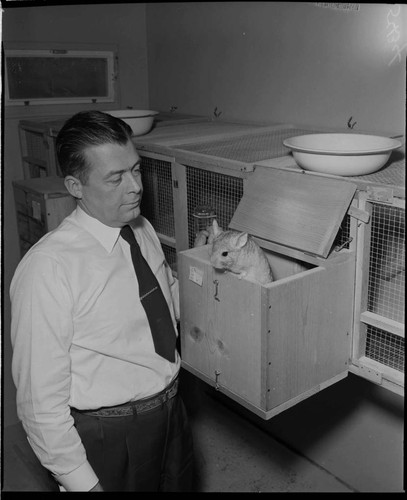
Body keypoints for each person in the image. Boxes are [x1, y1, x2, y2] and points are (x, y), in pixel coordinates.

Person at [10, 110, 194, 492]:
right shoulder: (48, 268)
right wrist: (82, 483)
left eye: (136, 169)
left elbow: (162, 296)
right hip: (109, 435)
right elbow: (38, 400)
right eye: (116, 178)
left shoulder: (140, 228)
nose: (135, 187)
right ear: (75, 186)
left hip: (172, 412)